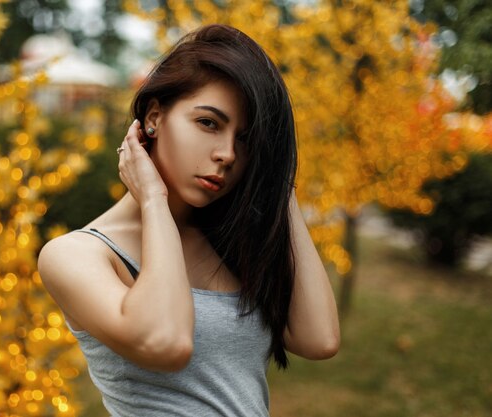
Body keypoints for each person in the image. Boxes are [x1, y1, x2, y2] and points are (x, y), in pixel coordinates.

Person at [38, 24, 340, 417]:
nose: (228, 154)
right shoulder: (76, 254)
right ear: (154, 119)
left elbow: (320, 339)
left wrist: (277, 181)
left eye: (245, 140)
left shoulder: (227, 239)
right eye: (209, 123)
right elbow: (167, 343)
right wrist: (153, 199)